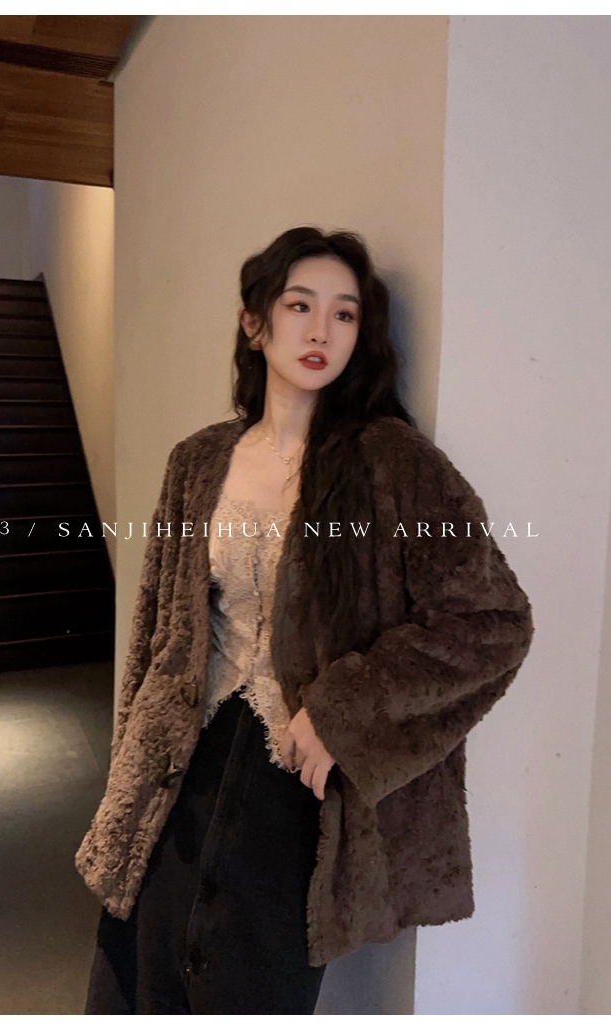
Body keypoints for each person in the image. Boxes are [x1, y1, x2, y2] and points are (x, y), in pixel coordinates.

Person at [76, 226, 535, 1015]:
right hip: (177, 765)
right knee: (139, 977)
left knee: (245, 986)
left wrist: (344, 712)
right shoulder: (198, 460)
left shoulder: (392, 463)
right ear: (255, 323)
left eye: (345, 314)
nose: (322, 330)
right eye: (300, 306)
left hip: (292, 777)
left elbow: (492, 620)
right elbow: (157, 632)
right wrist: (130, 764)